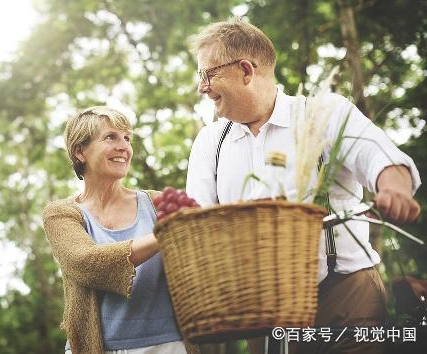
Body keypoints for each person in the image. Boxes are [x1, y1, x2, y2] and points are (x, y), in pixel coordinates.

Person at [185, 18, 421, 354]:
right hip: (262, 315)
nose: (202, 87)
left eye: (207, 74)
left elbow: (379, 156)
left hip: (344, 298)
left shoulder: (322, 113)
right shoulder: (211, 142)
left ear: (246, 70)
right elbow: (197, 219)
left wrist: (394, 187)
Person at [42, 106, 199, 354]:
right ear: (80, 151)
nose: (124, 147)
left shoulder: (158, 204)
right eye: (110, 137)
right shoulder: (61, 213)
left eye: (127, 138)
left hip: (168, 345)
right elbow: (86, 263)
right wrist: (165, 234)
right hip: (96, 347)